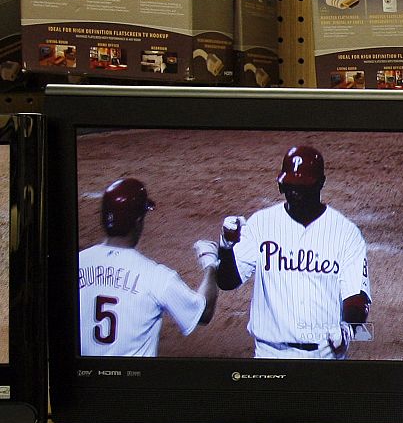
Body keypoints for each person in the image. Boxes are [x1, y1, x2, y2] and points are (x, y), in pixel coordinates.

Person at [215, 145, 372, 359]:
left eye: (302, 186)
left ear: (320, 184)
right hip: (269, 354)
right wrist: (226, 247)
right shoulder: (261, 223)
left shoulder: (345, 232)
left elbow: (357, 297)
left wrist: (348, 329)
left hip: (324, 354)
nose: (294, 192)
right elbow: (227, 281)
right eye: (289, 185)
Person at [78, 178, 217, 356]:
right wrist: (210, 263)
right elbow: (204, 313)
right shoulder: (156, 277)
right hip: (134, 382)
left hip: (85, 380)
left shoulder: (77, 263)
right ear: (138, 222)